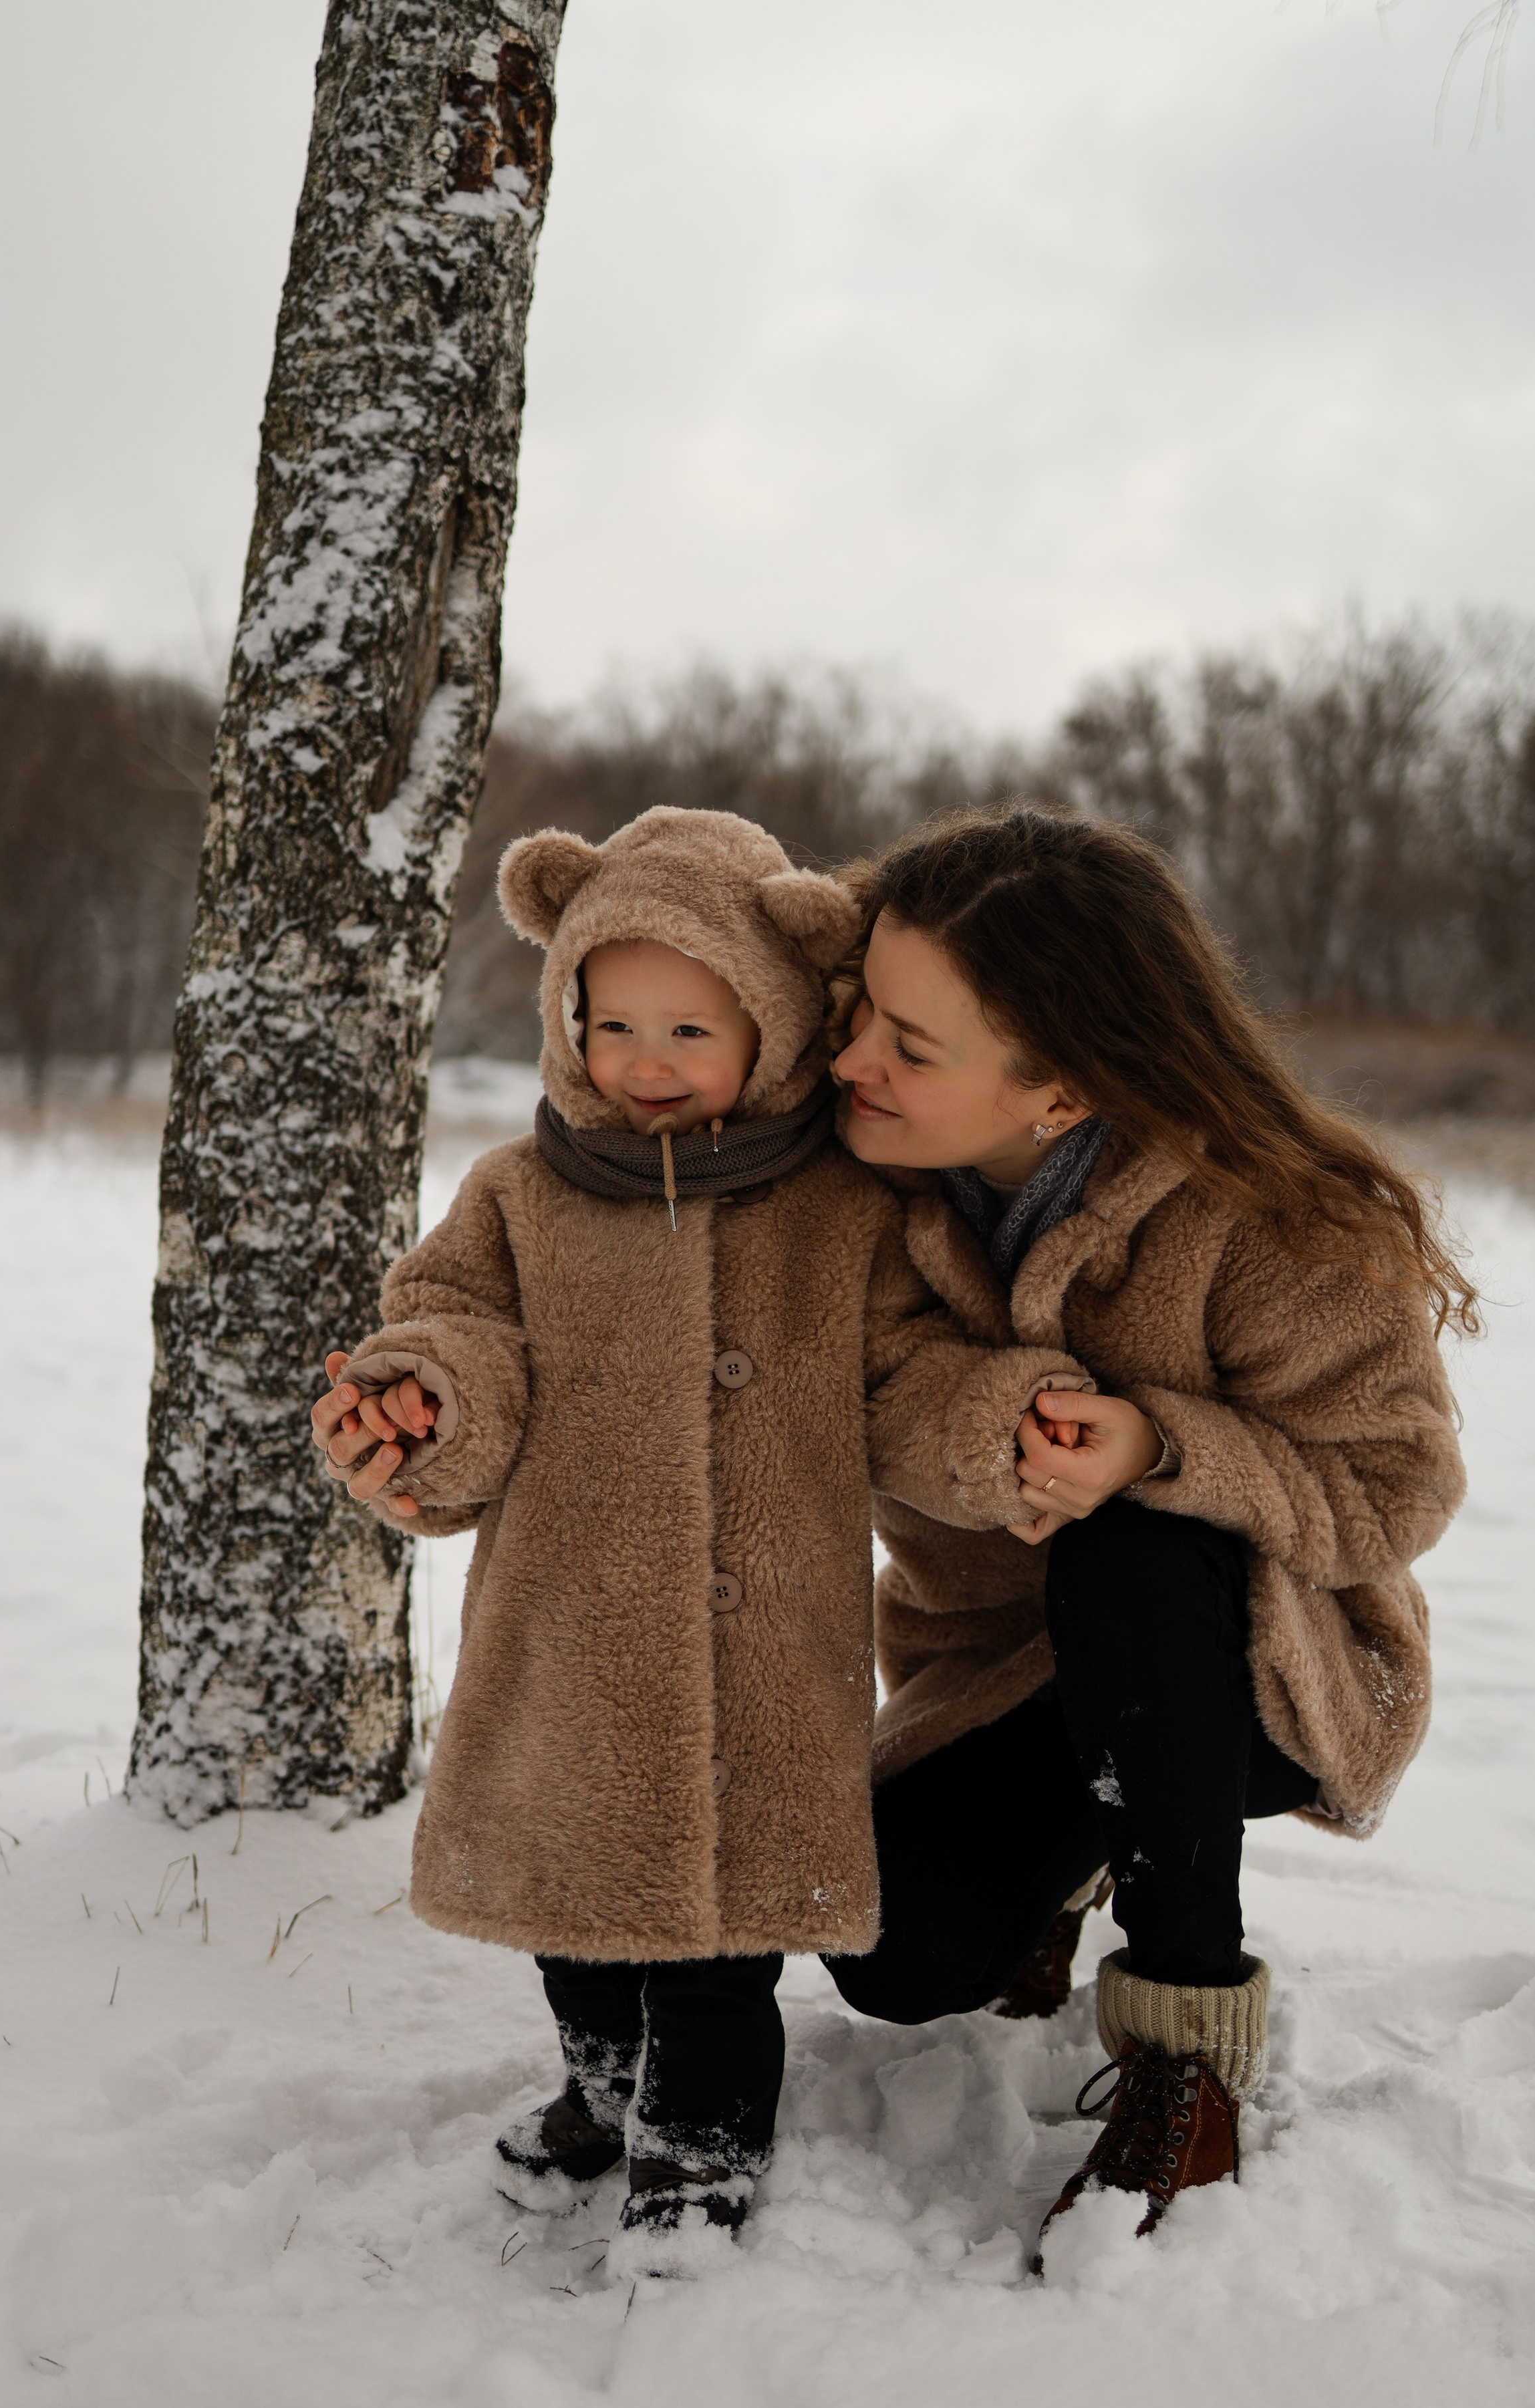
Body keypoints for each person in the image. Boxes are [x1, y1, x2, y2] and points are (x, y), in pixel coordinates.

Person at [308, 807, 1079, 2276]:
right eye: (612, 1025)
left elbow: (905, 1380)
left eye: (688, 1030)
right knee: (578, 1909)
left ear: (775, 1023)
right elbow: (460, 1337)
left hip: (762, 1646)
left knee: (723, 1939)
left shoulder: (839, 1211)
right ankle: (604, 2084)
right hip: (568, 1631)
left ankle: (705, 2144)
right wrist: (423, 1403)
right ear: (564, 1017)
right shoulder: (520, 1195)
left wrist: (994, 1427)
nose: (645, 1062)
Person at [825, 805, 1470, 2257]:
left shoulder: (1266, 1223)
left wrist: (1158, 1446)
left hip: (1268, 1675)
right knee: (892, 1960)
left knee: (1131, 1542)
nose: (853, 1057)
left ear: (1058, 1090)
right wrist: (999, 1424)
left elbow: (1394, 1487)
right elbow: (867, 1392)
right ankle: (1076, 1855)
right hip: (1006, 1675)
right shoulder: (863, 1194)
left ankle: (1187, 2055)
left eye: (907, 1045)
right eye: (861, 1009)